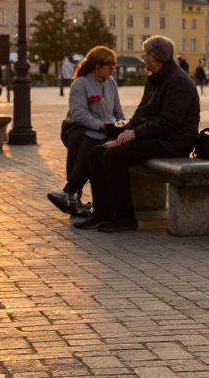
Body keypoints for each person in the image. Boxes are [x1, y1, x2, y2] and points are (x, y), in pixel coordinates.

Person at [80, 36, 199, 233]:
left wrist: (135, 134)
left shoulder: (178, 82)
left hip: (174, 141)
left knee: (113, 157)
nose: (143, 58)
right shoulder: (155, 79)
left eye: (145, 55)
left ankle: (125, 217)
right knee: (97, 152)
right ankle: (102, 213)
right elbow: (141, 113)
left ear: (153, 57)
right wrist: (123, 135)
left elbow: (169, 122)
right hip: (156, 136)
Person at [48, 46, 125, 218]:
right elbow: (79, 114)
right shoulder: (80, 83)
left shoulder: (111, 83)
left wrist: (123, 125)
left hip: (104, 128)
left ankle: (69, 194)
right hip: (77, 127)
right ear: (97, 66)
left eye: (114, 65)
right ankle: (73, 195)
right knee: (90, 142)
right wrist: (103, 126)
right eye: (110, 65)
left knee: (97, 145)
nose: (113, 69)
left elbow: (117, 110)